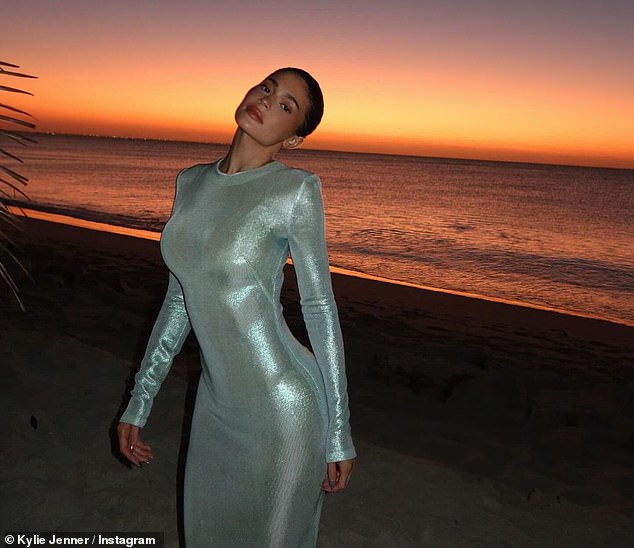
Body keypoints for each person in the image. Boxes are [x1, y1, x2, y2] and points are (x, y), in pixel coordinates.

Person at [117, 67, 356, 547]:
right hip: (214, 406)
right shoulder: (190, 183)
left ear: (292, 140)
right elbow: (179, 299)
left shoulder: (295, 190)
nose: (267, 101)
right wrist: (138, 403)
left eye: (286, 105)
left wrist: (338, 431)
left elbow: (319, 309)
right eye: (268, 87)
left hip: (283, 405)